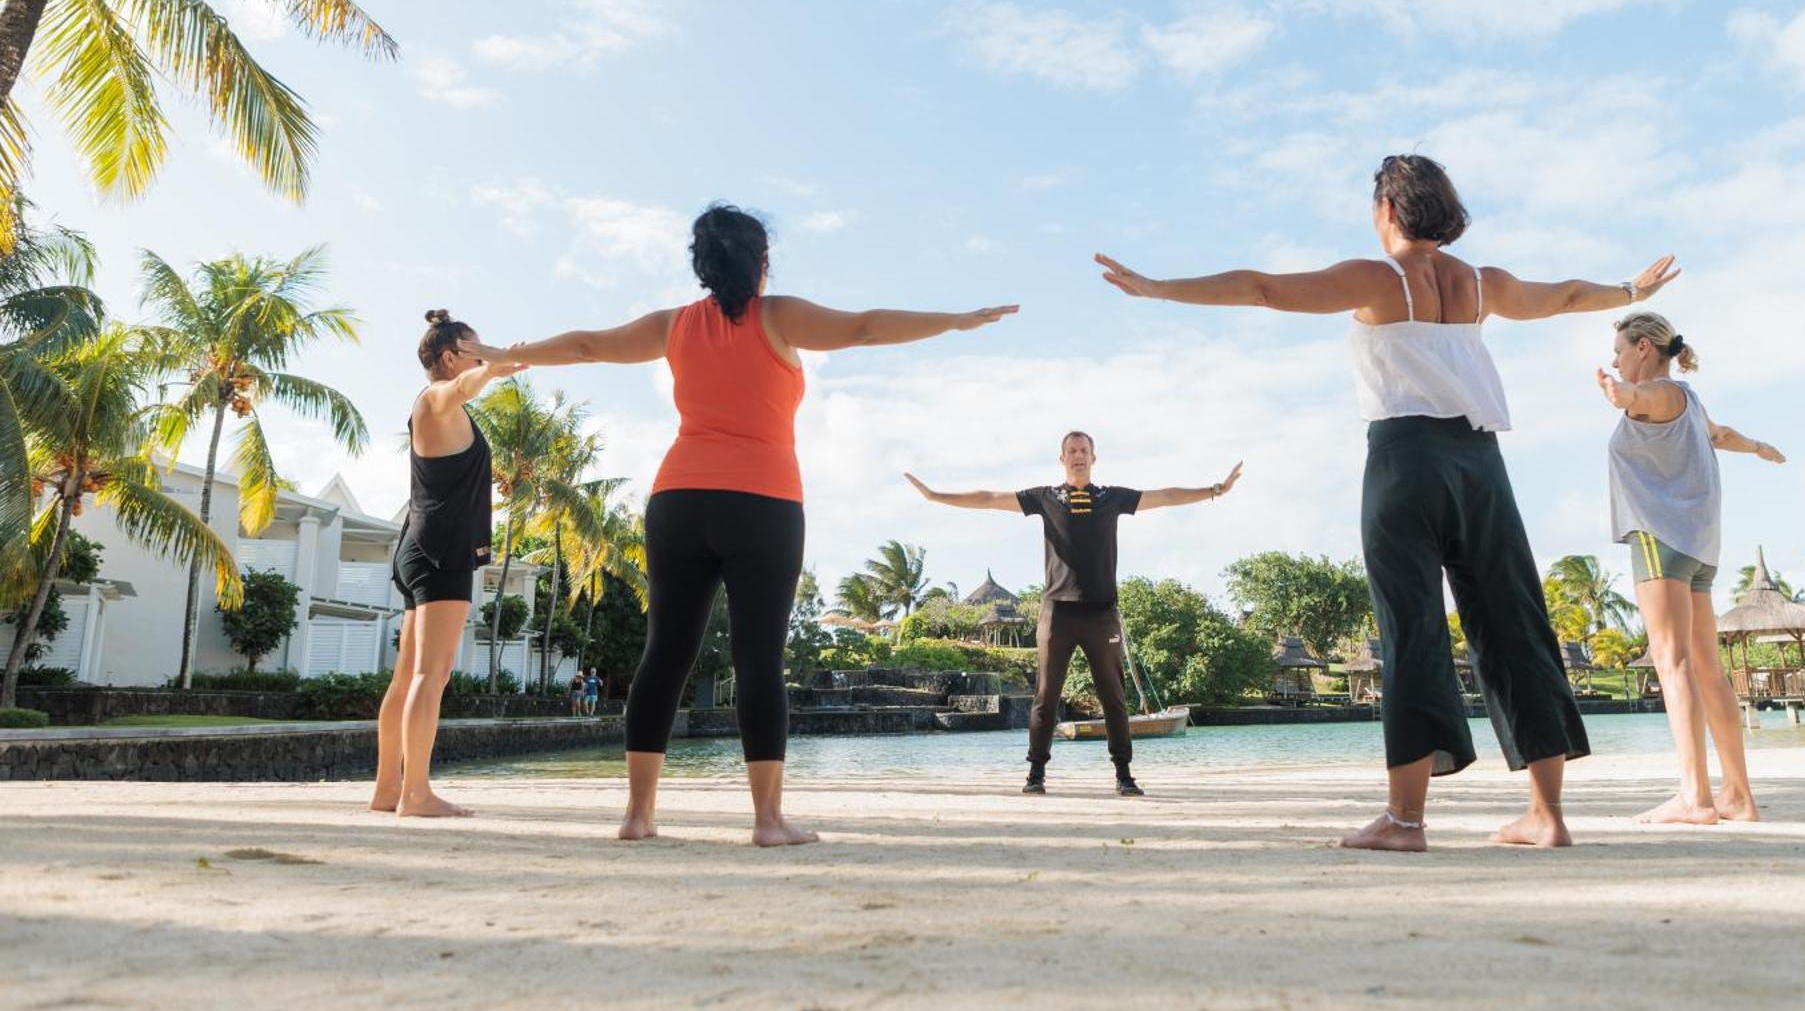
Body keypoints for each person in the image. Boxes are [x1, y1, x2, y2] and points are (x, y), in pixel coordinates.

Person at [1096, 154, 1680, 851]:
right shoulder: (1478, 282)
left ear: (1391, 209)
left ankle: (1406, 819)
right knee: (1514, 621)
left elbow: (1260, 288)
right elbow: (1559, 297)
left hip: (1406, 459)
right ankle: (1547, 815)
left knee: (1411, 629)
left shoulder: (1380, 278)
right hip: (1481, 465)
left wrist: (1158, 287)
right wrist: (1627, 287)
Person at [467, 204, 1016, 846]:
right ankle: (766, 821)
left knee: (665, 654)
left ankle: (638, 816)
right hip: (764, 502)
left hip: (678, 499)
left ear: (702, 266)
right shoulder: (777, 316)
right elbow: (865, 327)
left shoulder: (672, 325)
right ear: (761, 262)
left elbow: (587, 345)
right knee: (759, 659)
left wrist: (505, 353)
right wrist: (953, 320)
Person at [907, 435, 1242, 796]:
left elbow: (1163, 496)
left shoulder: (1111, 497)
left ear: (1093, 457)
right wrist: (935, 496)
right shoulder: (1045, 498)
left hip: (1102, 613)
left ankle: (1124, 775)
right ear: (1062, 458)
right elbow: (989, 498)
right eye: (1072, 451)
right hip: (1057, 613)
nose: (1078, 456)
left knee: (1113, 696)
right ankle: (1035, 775)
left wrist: (1214, 490)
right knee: (1046, 696)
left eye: (1084, 451)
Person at [1597, 311, 1784, 824]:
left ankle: (1694, 797)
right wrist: (1760, 449)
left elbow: (1644, 399)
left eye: (1619, 350)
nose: (1614, 359)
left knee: (1670, 663)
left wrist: (1623, 396)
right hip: (1701, 549)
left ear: (1642, 348)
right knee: (1707, 669)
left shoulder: (1658, 392)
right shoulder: (1692, 401)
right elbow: (1721, 436)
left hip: (1661, 541)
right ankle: (1739, 797)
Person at [372, 310, 524, 818]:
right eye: (474, 348)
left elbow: (469, 387)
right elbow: (459, 390)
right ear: (449, 357)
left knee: (409, 676)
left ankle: (387, 789)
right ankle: (416, 793)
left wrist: (491, 363)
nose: (483, 353)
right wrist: (493, 366)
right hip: (442, 552)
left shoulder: (440, 409)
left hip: (419, 546)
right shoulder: (435, 400)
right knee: (431, 676)